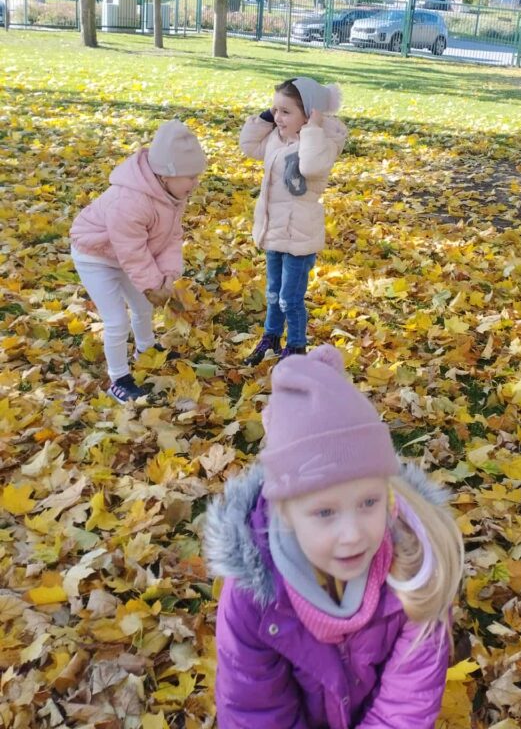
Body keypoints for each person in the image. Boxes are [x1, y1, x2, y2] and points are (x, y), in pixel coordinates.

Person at [205, 345, 464, 729]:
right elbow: (255, 712)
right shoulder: (254, 597)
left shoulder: (416, 571)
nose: (353, 535)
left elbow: (404, 707)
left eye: (369, 502)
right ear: (285, 513)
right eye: (325, 512)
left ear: (388, 494)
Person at [69, 119, 207, 403]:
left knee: (143, 306)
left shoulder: (171, 194)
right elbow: (131, 250)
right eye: (191, 176)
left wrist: (167, 275)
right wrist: (153, 284)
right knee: (117, 320)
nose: (196, 183)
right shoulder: (131, 201)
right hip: (95, 256)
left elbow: (171, 236)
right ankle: (118, 378)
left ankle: (146, 349)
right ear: (166, 174)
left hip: (125, 256)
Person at [239, 77, 347, 364]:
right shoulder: (276, 138)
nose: (278, 117)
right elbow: (248, 145)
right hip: (274, 231)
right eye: (275, 110)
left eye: (286, 112)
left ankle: (296, 349)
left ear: (310, 114)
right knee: (273, 293)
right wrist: (266, 118)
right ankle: (271, 338)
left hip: (300, 238)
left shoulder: (322, 143)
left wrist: (312, 129)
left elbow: (310, 167)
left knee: (290, 298)